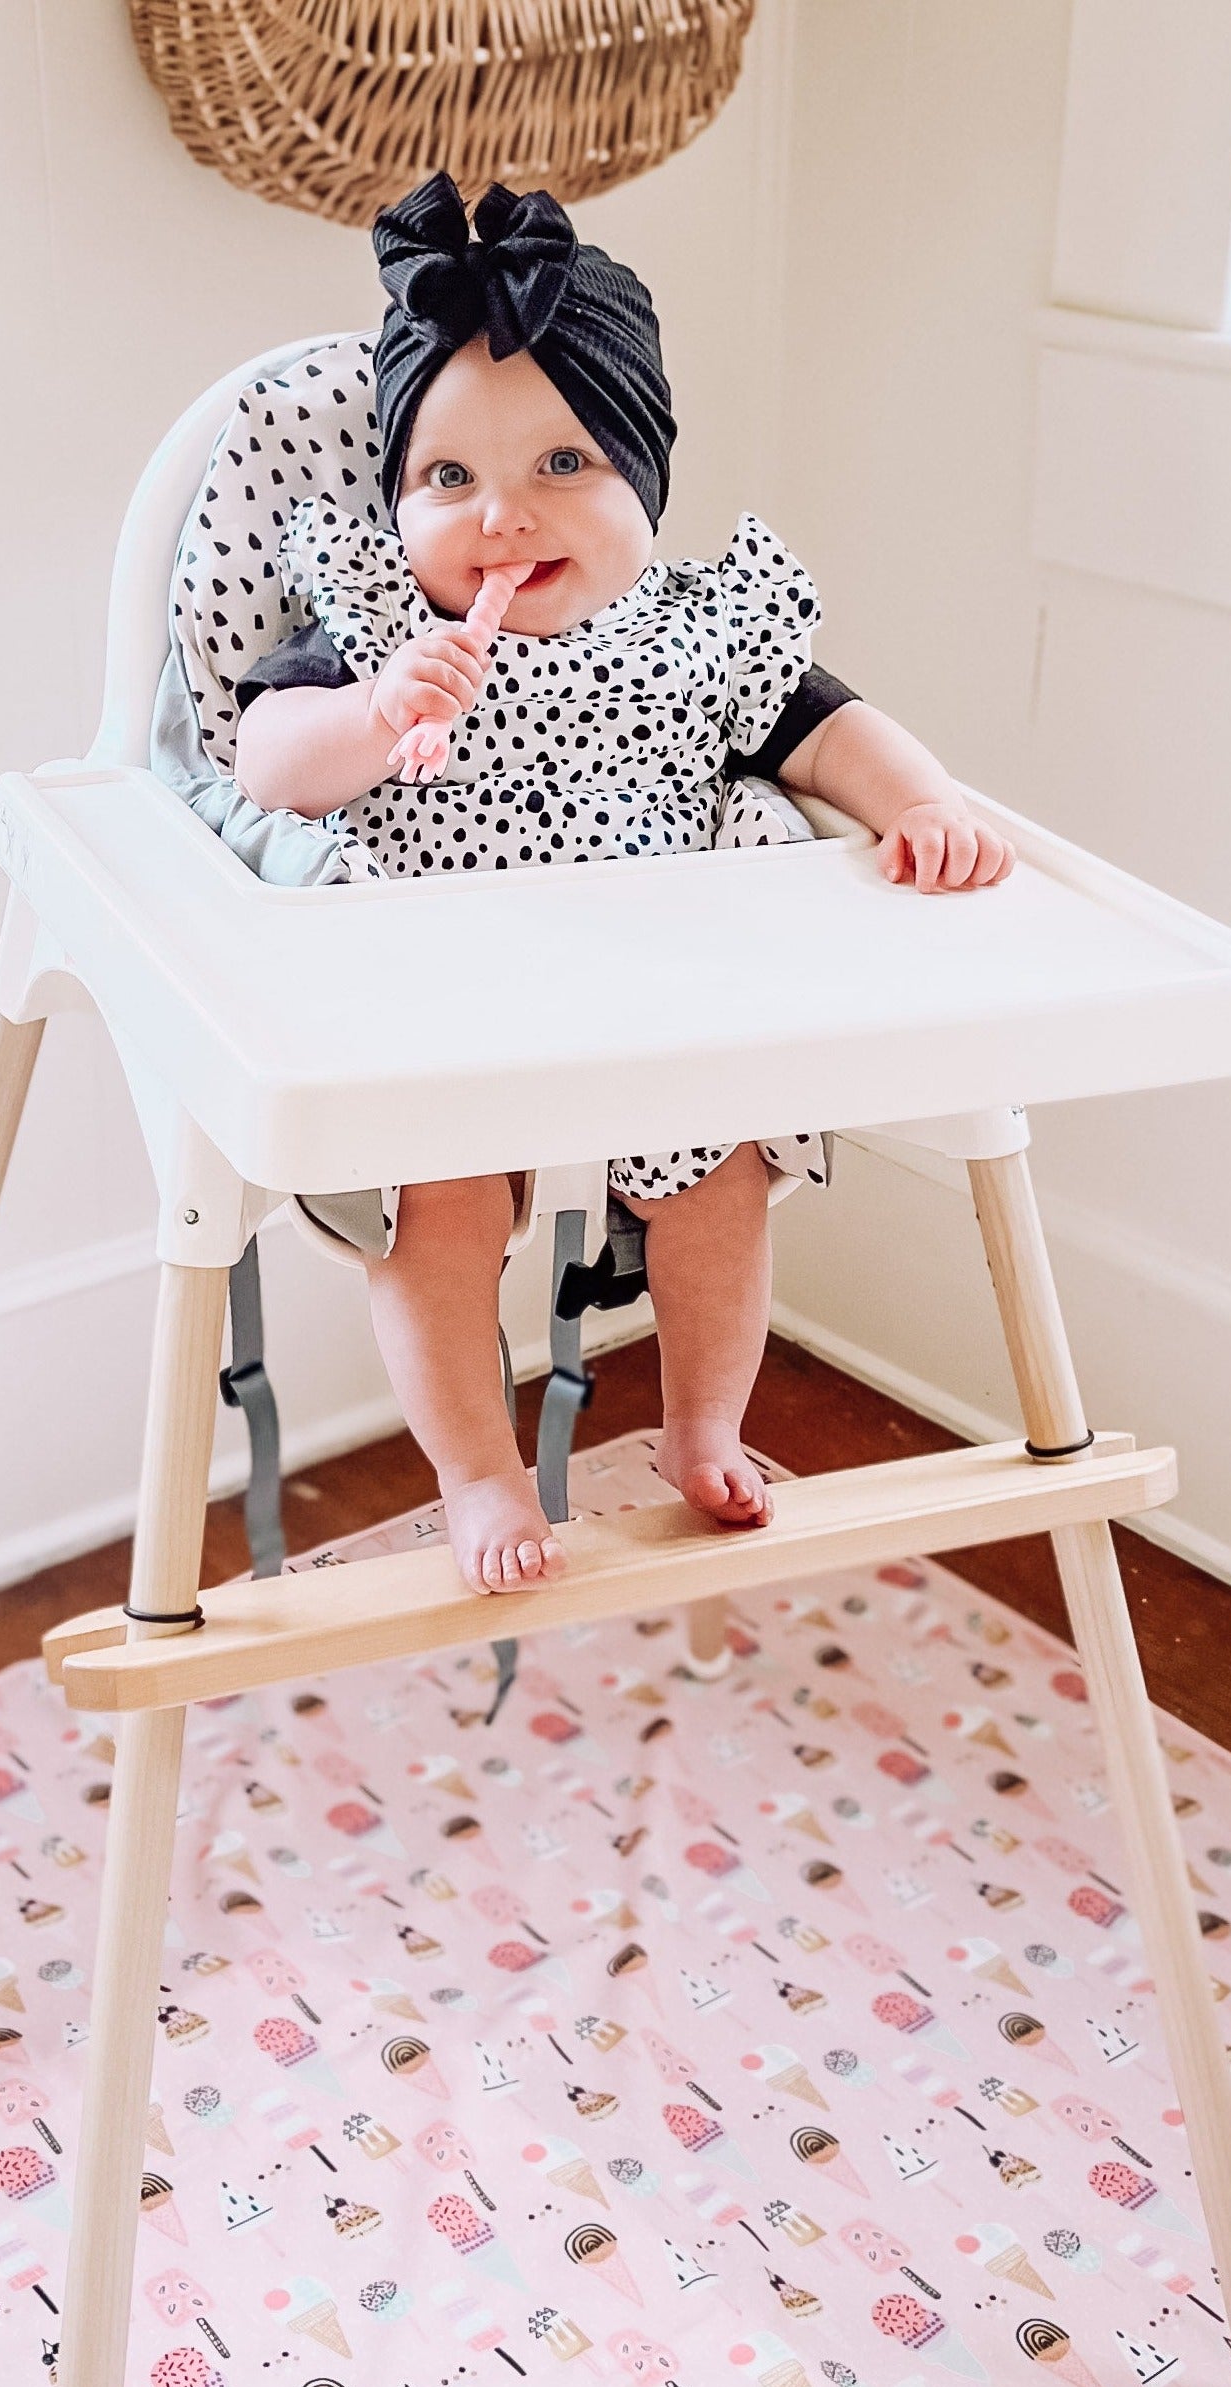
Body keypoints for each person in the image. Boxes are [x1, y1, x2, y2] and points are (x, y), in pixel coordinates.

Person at [235, 174, 1010, 1594]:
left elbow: (830, 729)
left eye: (562, 466)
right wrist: (368, 716)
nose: (500, 518)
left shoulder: (694, 633)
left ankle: (703, 1424)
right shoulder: (375, 625)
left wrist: (928, 804)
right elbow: (266, 762)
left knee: (719, 1185)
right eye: (447, 479)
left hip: (657, 1004)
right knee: (437, 1220)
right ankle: (475, 1475)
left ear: (642, 479)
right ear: (396, 503)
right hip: (448, 1011)